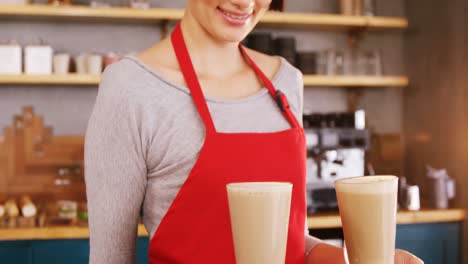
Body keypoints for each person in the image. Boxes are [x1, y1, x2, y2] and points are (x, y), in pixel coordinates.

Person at [85, 0, 424, 263]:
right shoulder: (130, 87)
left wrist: (353, 261)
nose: (244, 2)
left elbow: (293, 242)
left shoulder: (286, 81)